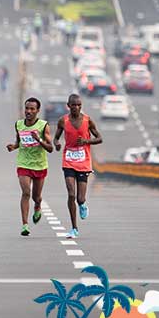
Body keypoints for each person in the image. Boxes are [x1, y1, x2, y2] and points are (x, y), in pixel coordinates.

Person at [54, 94, 103, 238]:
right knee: (71, 194)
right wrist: (56, 143)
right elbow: (56, 137)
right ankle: (74, 228)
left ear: (81, 106)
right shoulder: (63, 121)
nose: (76, 107)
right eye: (73, 105)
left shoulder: (88, 121)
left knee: (80, 198)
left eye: (79, 105)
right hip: (68, 160)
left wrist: (87, 141)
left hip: (83, 161)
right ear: (68, 106)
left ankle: (82, 204)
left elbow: (99, 138)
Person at [7, 97, 53, 236]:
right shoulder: (19, 124)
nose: (29, 111)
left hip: (39, 165)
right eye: (27, 108)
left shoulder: (43, 125)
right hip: (24, 163)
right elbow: (19, 141)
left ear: (37, 111)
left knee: (36, 196)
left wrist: (38, 139)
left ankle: (38, 206)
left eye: (32, 109)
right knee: (26, 192)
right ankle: (25, 225)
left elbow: (50, 148)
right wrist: (13, 146)